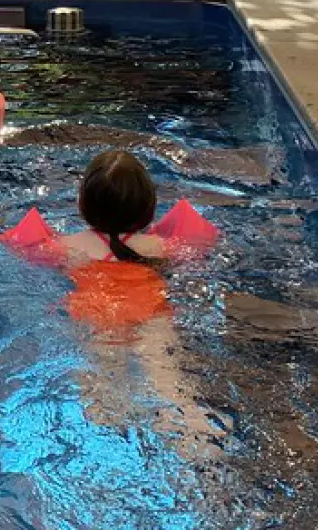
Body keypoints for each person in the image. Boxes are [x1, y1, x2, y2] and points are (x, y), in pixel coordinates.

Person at [59, 150, 213, 445]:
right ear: (149, 210)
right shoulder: (159, 247)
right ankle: (195, 433)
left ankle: (109, 437)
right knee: (168, 382)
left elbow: (26, 252)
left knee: (101, 385)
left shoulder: (68, 247)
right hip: (152, 312)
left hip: (99, 315)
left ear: (82, 205)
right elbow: (197, 253)